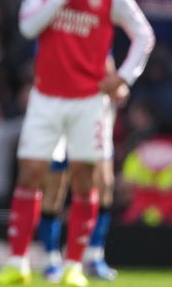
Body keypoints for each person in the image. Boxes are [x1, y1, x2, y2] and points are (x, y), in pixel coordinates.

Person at [0, 0, 155, 287]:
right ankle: (18, 262)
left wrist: (123, 77)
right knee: (30, 172)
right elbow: (29, 27)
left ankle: (74, 266)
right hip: (45, 97)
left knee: (83, 179)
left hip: (89, 102)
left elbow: (144, 34)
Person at [38, 59, 124, 283]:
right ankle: (51, 259)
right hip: (62, 115)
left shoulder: (100, 41)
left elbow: (113, 77)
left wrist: (119, 85)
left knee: (103, 183)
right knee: (55, 187)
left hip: (95, 118)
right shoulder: (62, 36)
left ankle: (93, 255)